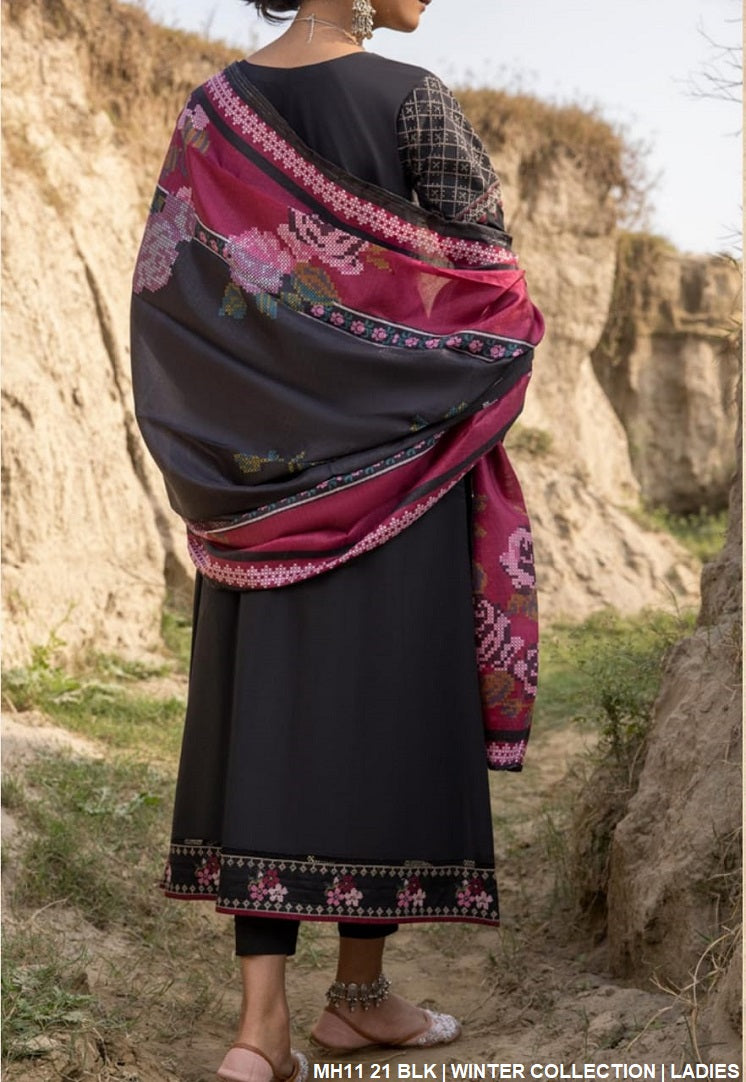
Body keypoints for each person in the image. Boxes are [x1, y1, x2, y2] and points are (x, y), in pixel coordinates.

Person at [130, 1, 544, 1079]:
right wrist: (404, 378)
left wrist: (264, 429)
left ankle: (259, 1028)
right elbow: (489, 285)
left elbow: (176, 298)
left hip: (261, 484)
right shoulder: (413, 102)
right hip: (398, 472)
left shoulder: (214, 112)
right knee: (385, 716)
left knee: (267, 719)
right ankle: (356, 998)